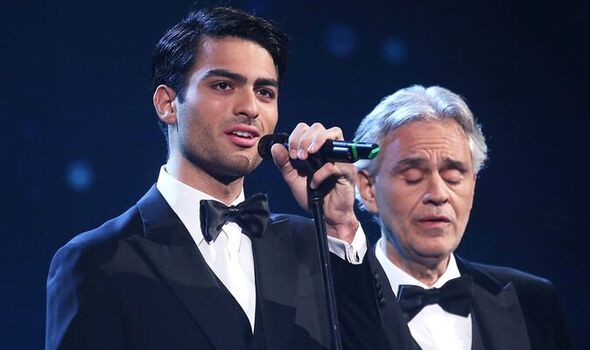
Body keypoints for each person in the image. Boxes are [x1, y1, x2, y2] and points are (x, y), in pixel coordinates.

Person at [45, 7, 412, 350]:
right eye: (223, 85)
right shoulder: (97, 261)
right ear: (168, 104)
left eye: (264, 92)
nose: (250, 108)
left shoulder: (316, 245)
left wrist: (341, 227)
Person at [353, 85, 571, 350]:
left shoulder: (533, 302)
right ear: (368, 189)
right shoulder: (338, 303)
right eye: (413, 176)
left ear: (473, 184)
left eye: (453, 177)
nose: (438, 194)